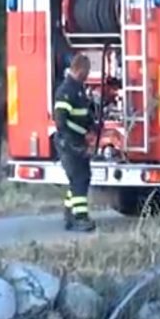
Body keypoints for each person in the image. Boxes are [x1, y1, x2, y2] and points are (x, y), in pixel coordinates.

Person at [53, 54, 96, 232]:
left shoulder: (78, 89)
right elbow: (61, 121)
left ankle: (69, 214)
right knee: (79, 178)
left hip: (77, 141)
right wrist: (78, 139)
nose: (87, 75)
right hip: (68, 142)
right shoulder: (65, 91)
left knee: (81, 178)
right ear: (78, 70)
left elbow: (82, 115)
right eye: (86, 72)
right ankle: (80, 217)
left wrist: (91, 125)